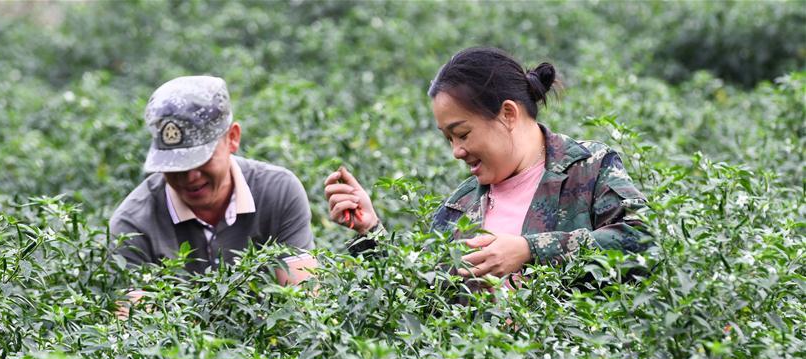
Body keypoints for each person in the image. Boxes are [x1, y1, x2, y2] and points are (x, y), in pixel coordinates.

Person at [324, 47, 651, 283]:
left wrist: (529, 250)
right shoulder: (462, 203)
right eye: (448, 139)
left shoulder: (589, 168)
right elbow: (420, 293)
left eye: (462, 134)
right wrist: (370, 232)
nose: (456, 151)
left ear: (508, 114)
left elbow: (642, 243)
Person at [110, 75, 316, 283]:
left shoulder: (278, 192)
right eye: (175, 165)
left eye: (200, 160)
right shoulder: (133, 225)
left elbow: (302, 304)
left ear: (233, 138)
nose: (189, 177)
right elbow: (132, 312)